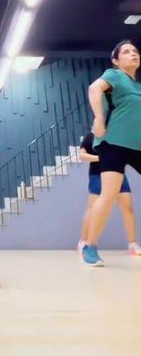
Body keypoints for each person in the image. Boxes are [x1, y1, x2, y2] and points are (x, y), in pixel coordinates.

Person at [83, 40, 141, 266]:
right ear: (116, 61)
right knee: (108, 195)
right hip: (113, 143)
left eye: (135, 51)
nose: (133, 54)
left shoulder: (138, 86)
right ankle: (90, 246)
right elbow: (94, 88)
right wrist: (98, 118)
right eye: (126, 52)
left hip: (137, 145)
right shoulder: (114, 75)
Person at [78, 131, 141, 256]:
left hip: (117, 173)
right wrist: (101, 158)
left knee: (127, 207)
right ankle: (83, 242)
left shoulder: (117, 135)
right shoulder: (90, 136)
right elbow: (82, 155)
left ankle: (132, 244)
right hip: (97, 174)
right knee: (92, 208)